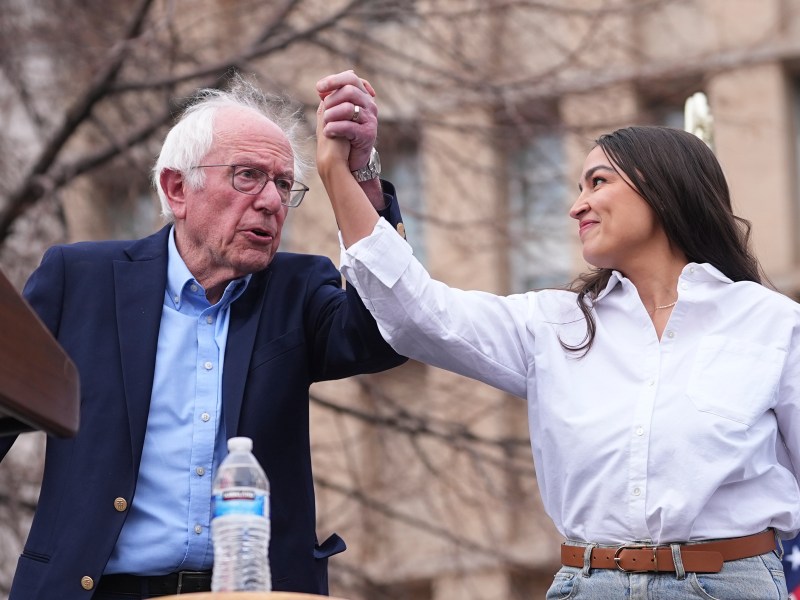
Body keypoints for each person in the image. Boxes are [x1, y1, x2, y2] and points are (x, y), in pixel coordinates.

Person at [315, 80, 800, 599]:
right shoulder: (554, 325)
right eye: (578, 189)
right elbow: (417, 314)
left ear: (664, 188)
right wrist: (344, 175)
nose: (577, 207)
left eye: (597, 182)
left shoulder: (772, 326)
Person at [0, 71, 406, 600]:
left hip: (253, 591)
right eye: (248, 176)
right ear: (177, 188)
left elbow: (389, 331)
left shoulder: (299, 290)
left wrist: (360, 177)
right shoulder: (80, 281)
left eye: (283, 184)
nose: (270, 201)